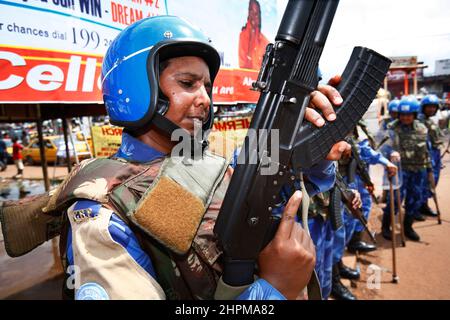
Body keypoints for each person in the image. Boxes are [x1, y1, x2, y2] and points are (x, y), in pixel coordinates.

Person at [48, 15, 353, 300]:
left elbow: (282, 188)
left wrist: (310, 143)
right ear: (136, 87)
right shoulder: (101, 215)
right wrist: (272, 290)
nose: (205, 99)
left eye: (207, 86)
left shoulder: (209, 164)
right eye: (187, 83)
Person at [381, 96, 430, 241]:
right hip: (399, 171)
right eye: (403, 115)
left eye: (409, 115)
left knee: (414, 200)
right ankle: (385, 226)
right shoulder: (391, 127)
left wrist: (429, 168)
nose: (405, 118)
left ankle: (408, 227)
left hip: (418, 170)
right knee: (394, 200)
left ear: (414, 115)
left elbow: (426, 150)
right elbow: (383, 146)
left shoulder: (422, 128)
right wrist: (391, 152)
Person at [418, 94, 443, 218]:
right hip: (427, 155)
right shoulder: (419, 121)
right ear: (423, 107)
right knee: (424, 182)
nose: (432, 109)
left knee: (433, 181)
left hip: (436, 154)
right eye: (429, 107)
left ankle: (424, 205)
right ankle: (417, 208)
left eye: (434, 107)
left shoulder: (430, 120)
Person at [238, 0, 269, 70]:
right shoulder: (242, 36)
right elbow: (242, 65)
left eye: (256, 13)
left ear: (259, 16)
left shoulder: (265, 42)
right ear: (248, 13)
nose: (253, 16)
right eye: (251, 11)